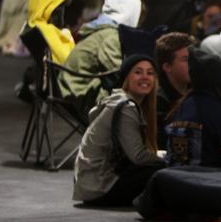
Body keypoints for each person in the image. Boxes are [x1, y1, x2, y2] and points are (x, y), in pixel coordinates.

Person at [71, 54, 166, 206]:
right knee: (163, 173)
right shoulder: (126, 107)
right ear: (126, 78)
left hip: (89, 183)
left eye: (150, 73)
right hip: (101, 187)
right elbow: (138, 157)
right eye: (138, 72)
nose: (145, 77)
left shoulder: (118, 100)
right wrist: (170, 160)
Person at [57, 0, 144, 112]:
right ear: (129, 14)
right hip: (82, 94)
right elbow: (117, 69)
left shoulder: (101, 29)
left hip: (73, 87)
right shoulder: (110, 35)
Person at [154, 32, 195, 135]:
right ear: (167, 67)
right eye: (186, 60)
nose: (193, 64)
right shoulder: (158, 103)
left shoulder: (197, 91)